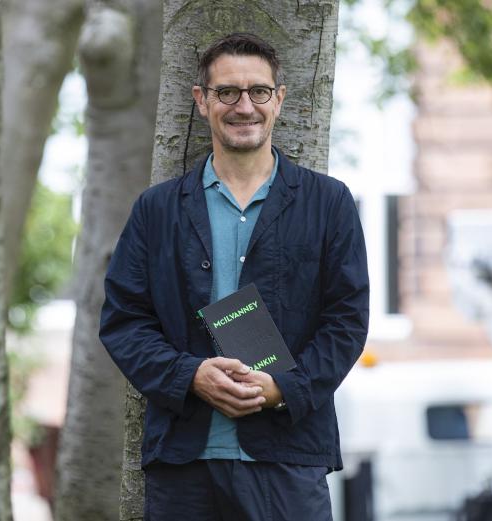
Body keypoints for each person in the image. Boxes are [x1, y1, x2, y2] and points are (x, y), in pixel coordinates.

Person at [99, 32, 369, 520]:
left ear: (279, 100)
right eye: (227, 92)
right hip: (184, 461)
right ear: (202, 100)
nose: (244, 106)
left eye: (258, 91)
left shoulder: (328, 203)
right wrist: (189, 375)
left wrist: (284, 387)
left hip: (289, 456)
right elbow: (124, 321)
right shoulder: (157, 210)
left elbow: (347, 321)